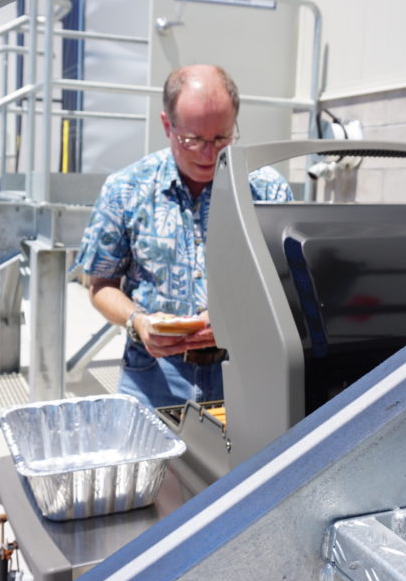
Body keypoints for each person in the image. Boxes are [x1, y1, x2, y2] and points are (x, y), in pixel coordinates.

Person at [74, 64, 293, 409]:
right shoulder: (126, 189)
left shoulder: (267, 190)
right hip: (153, 376)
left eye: (221, 138)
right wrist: (138, 323)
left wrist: (240, 322)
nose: (208, 154)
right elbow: (101, 286)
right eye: (192, 139)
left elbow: (289, 283)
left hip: (244, 372)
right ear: (167, 125)